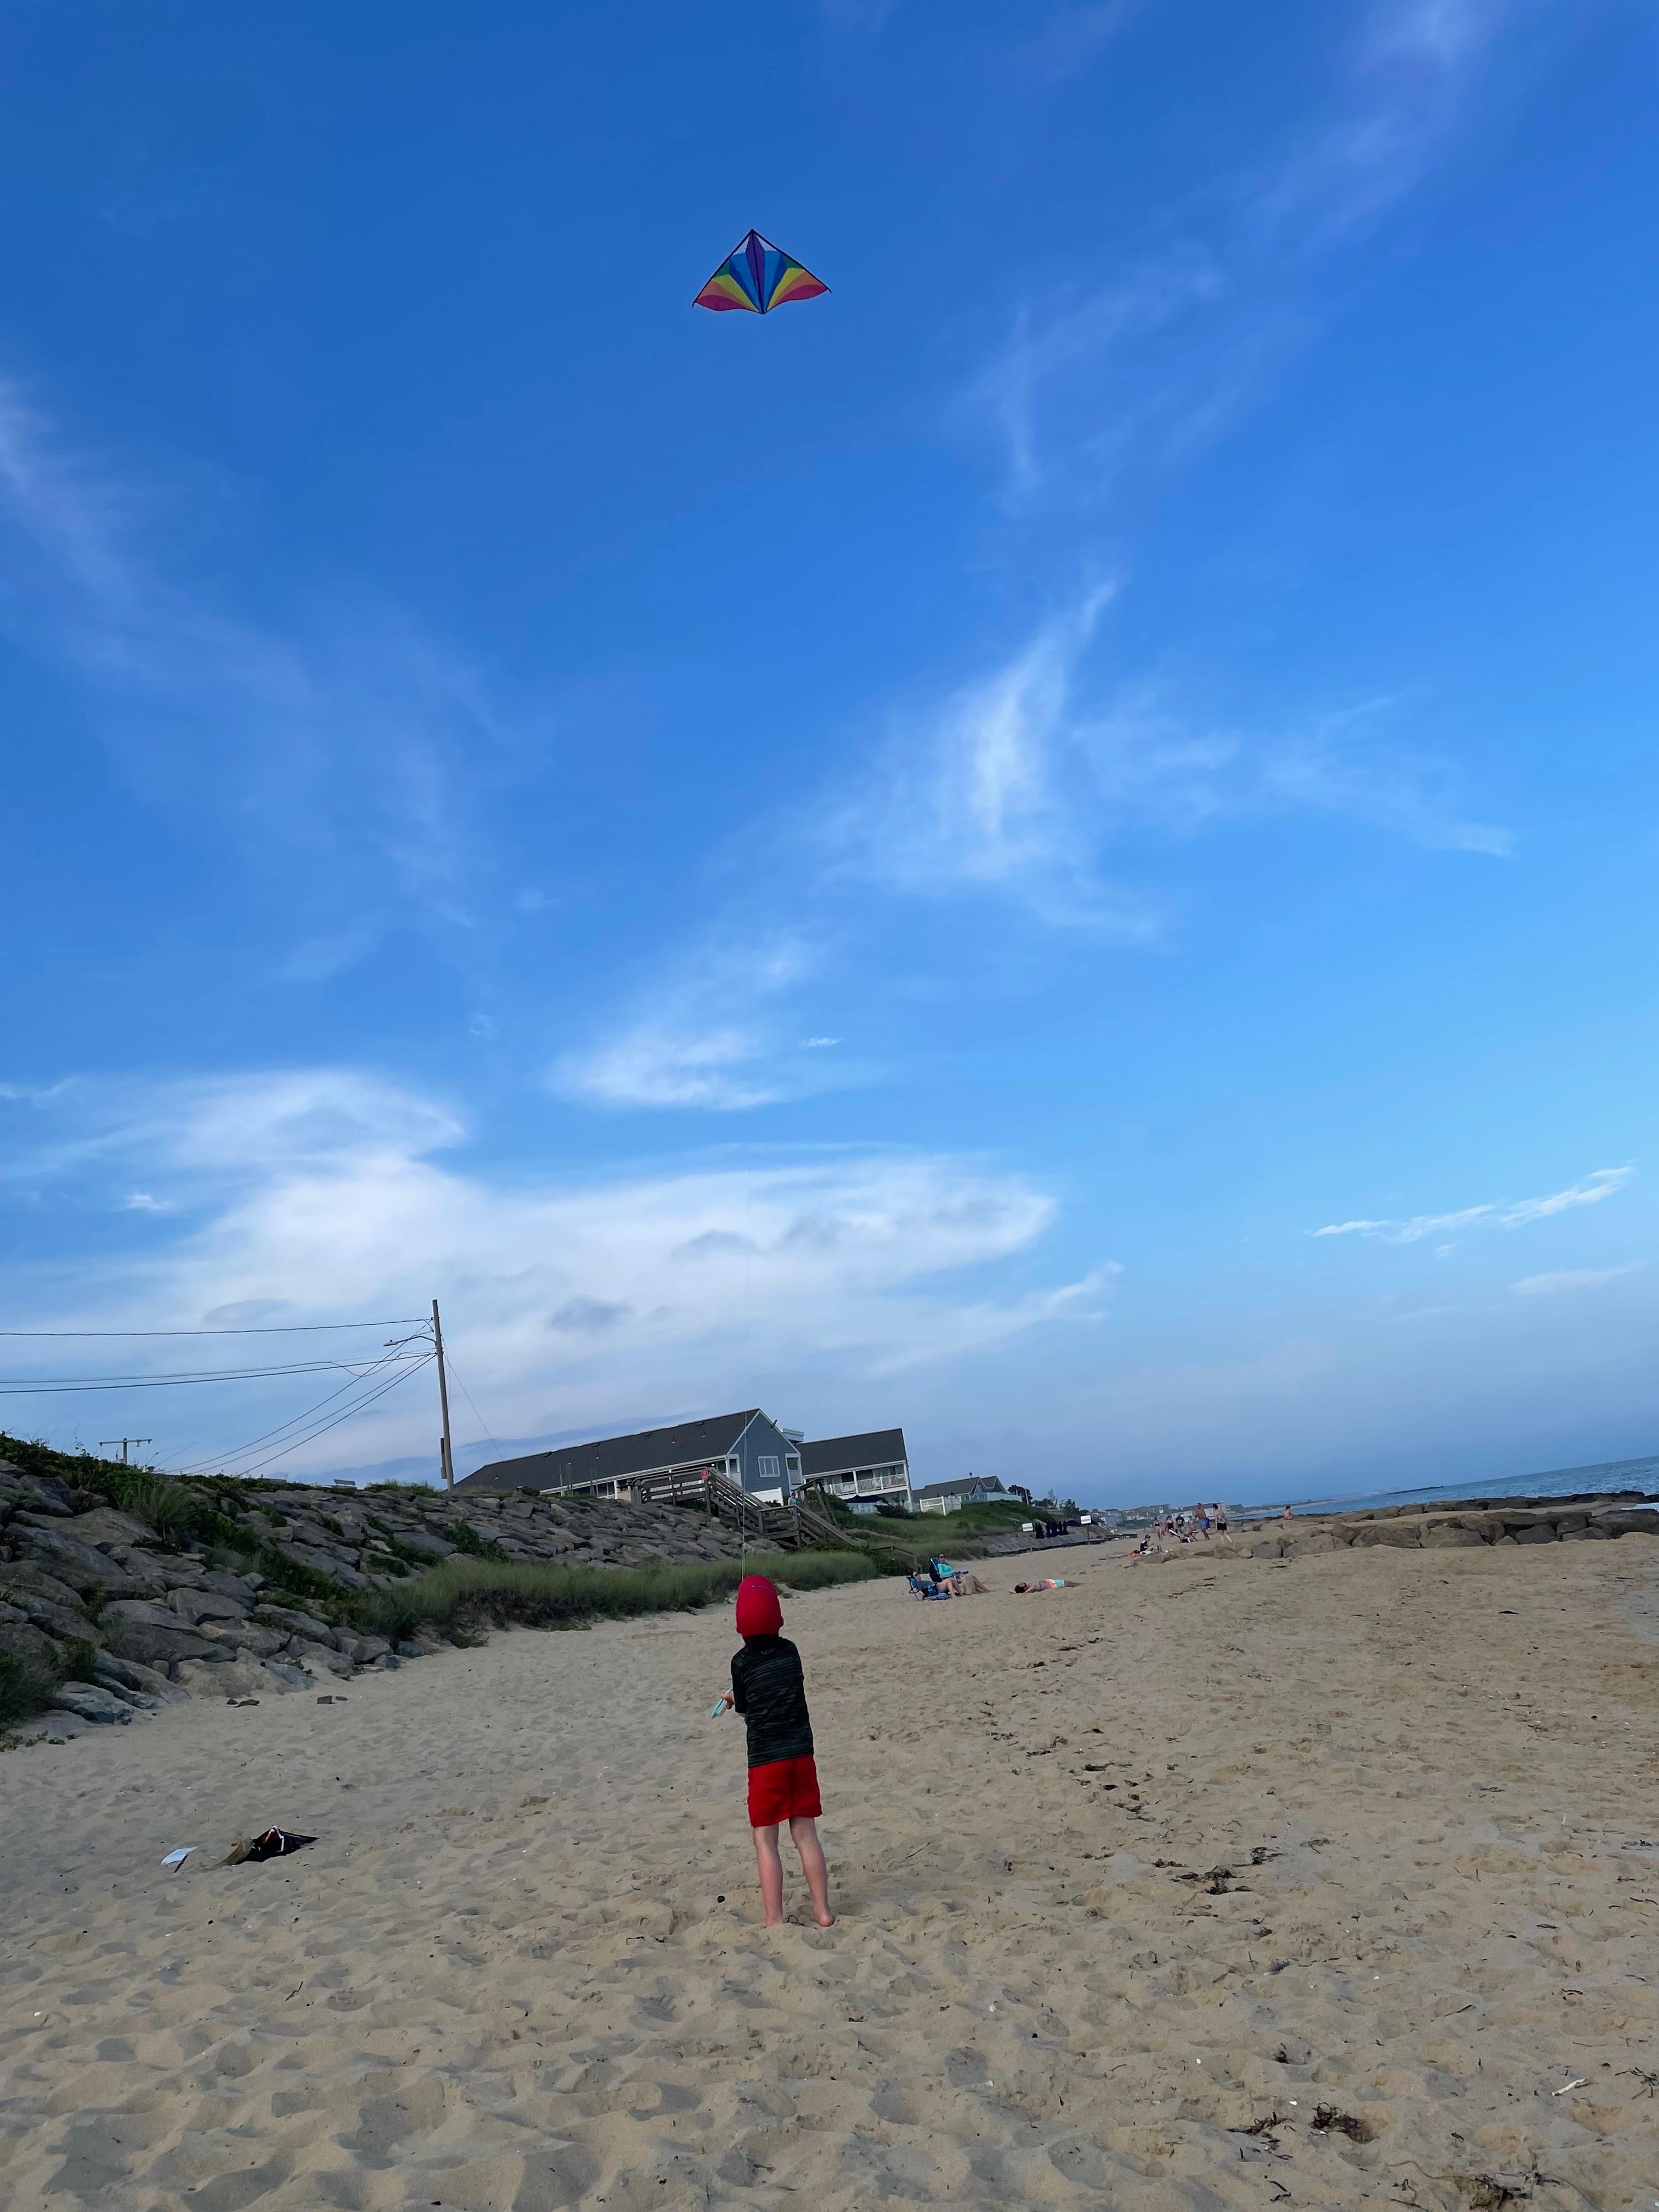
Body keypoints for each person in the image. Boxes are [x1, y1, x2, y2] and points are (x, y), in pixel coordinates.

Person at [714, 1575, 834, 1928]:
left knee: (765, 1838)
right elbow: (781, 1687)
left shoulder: (740, 1662)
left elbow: (748, 1712)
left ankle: (774, 1918)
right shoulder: (791, 1651)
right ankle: (823, 1912)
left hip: (766, 1760)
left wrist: (737, 1697)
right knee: (806, 1833)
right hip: (801, 1754)